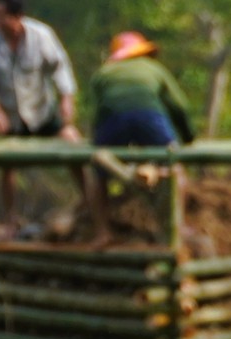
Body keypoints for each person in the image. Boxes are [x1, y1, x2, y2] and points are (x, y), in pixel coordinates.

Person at [0, 0, 88, 235]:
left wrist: (67, 100)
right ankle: (10, 219)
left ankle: (90, 201)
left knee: (73, 145)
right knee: (6, 164)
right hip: (11, 116)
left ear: (17, 17)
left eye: (1, 16)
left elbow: (61, 69)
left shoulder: (41, 35)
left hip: (41, 111)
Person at [82, 30, 199, 242]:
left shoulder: (103, 73)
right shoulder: (154, 68)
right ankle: (178, 228)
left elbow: (98, 112)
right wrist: (188, 137)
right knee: (174, 166)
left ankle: (102, 232)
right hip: (148, 115)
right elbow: (178, 106)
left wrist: (97, 141)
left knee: (99, 176)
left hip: (112, 119)